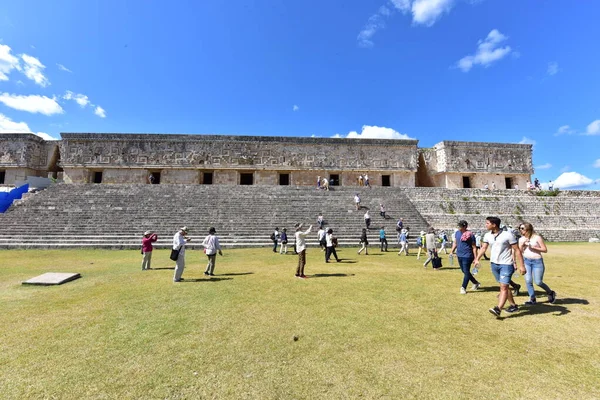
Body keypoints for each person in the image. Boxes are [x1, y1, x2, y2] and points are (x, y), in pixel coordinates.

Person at [474, 217, 526, 318]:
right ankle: (513, 305)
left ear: (494, 225)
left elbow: (517, 250)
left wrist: (522, 265)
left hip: (506, 264)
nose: (486, 225)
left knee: (503, 287)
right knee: (504, 286)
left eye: (487, 223)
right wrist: (477, 259)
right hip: (494, 264)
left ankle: (498, 309)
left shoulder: (508, 235)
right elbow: (484, 248)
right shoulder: (487, 235)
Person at [518, 223, 556, 305]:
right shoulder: (521, 239)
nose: (520, 230)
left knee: (538, 282)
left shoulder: (537, 238)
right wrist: (522, 245)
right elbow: (519, 252)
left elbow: (545, 250)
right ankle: (532, 298)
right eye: (519, 228)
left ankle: (550, 292)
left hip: (537, 261)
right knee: (528, 280)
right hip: (526, 261)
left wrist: (533, 247)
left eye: (522, 228)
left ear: (528, 229)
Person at [450, 220, 480, 294]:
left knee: (466, 271)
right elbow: (455, 243)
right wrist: (452, 251)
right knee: (464, 271)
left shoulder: (470, 234)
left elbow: (474, 247)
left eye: (461, 226)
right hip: (459, 255)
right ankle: (475, 282)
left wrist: (476, 258)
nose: (459, 227)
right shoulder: (457, 233)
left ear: (465, 226)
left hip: (468, 255)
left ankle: (463, 287)